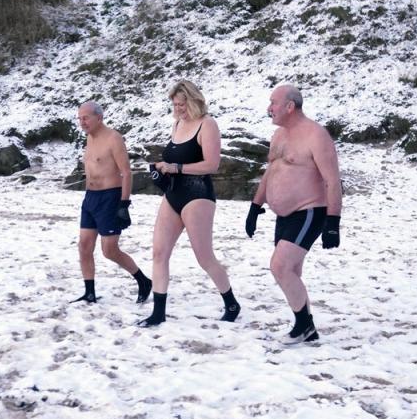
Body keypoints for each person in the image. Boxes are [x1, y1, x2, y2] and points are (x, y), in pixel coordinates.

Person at [245, 85, 342, 344]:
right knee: (292, 272)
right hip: (283, 214)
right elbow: (271, 171)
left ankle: (304, 326)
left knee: (280, 266)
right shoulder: (278, 135)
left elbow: (333, 181)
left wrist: (333, 222)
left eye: (273, 103)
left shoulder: (316, 136)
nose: (269, 109)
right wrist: (255, 207)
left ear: (290, 106)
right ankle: (306, 330)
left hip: (309, 210)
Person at [140, 81, 240, 326]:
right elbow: (173, 158)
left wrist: (178, 167)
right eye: (175, 105)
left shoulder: (208, 125)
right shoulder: (177, 124)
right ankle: (158, 312)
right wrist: (162, 169)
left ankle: (231, 303)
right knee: (159, 252)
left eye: (182, 104)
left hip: (198, 195)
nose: (178, 109)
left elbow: (212, 164)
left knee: (204, 257)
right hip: (173, 194)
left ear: (194, 101)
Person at [75, 101, 153, 304]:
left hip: (110, 197)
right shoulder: (89, 139)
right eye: (80, 118)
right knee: (84, 246)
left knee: (109, 250)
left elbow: (126, 173)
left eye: (86, 118)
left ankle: (143, 281)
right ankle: (89, 292)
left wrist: (124, 204)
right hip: (91, 198)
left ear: (99, 118)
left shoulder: (113, 138)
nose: (82, 122)